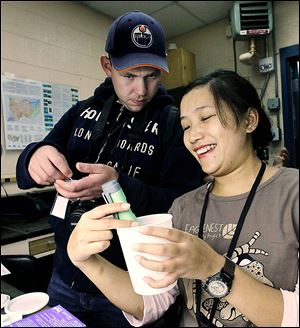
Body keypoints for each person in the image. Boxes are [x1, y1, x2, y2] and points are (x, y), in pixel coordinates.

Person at [15, 10, 206, 327]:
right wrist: (35, 155)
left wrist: (119, 184)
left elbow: (184, 202)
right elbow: (33, 162)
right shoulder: (82, 111)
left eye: (152, 75)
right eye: (129, 76)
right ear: (108, 66)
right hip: (66, 276)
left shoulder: (173, 123)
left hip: (130, 286)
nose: (141, 90)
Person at [67, 69, 299, 327]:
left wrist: (212, 267)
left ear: (249, 120)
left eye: (206, 117)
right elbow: (152, 299)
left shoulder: (293, 193)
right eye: (186, 126)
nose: (193, 135)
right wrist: (88, 262)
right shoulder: (183, 207)